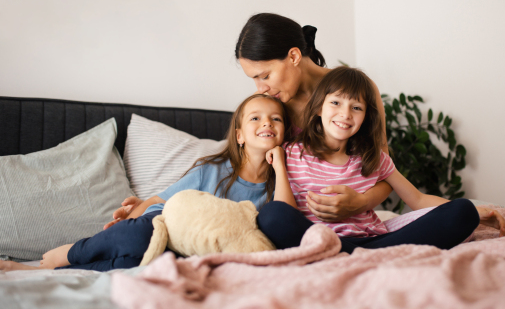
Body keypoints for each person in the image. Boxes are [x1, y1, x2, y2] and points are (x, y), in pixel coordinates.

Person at [0, 94, 291, 272]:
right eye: (256, 118)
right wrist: (129, 218)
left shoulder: (279, 184)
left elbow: (284, 219)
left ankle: (59, 270)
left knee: (144, 263)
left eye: (275, 119)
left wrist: (280, 166)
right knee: (142, 235)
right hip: (165, 228)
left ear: (284, 133)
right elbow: (158, 202)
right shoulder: (212, 170)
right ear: (239, 135)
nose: (267, 123)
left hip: (190, 253)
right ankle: (67, 253)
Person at [261, 66, 505, 254]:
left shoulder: (374, 158)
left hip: (373, 240)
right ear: (318, 108)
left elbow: (418, 199)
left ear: (366, 116)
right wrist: (280, 165)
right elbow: (284, 211)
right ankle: (352, 253)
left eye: (356, 107)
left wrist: (477, 213)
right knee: (271, 215)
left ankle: (358, 254)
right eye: (335, 103)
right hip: (317, 239)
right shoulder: (292, 152)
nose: (345, 114)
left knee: (462, 211)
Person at [236, 13, 393, 222]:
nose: (261, 89)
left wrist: (361, 203)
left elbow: (385, 171)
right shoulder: (268, 108)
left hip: (353, 224)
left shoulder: (356, 91)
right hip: (296, 223)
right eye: (254, 79)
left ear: (294, 56)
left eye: (265, 76)